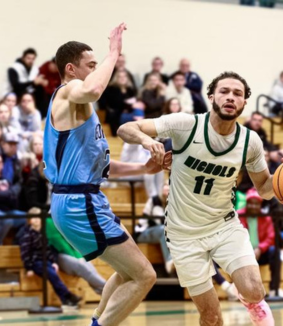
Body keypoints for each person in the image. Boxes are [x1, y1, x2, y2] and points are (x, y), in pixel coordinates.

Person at [119, 71, 283, 325]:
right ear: (211, 96)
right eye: (224, 91)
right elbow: (126, 128)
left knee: (255, 289)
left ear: (245, 102)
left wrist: (281, 181)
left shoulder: (250, 141)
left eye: (238, 94)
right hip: (183, 233)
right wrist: (148, 142)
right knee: (211, 318)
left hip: (224, 225)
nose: (231, 97)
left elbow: (264, 190)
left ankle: (250, 300)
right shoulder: (185, 124)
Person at [45, 25, 168, 326]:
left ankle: (97, 320)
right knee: (145, 275)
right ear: (71, 69)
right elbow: (93, 88)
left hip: (84, 198)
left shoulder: (82, 110)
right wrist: (114, 52)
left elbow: (100, 167)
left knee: (128, 272)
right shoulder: (68, 92)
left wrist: (142, 169)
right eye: (92, 64)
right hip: (77, 203)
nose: (98, 69)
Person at [24, 168, 107, 296]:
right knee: (82, 265)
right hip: (56, 257)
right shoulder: (45, 223)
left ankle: (104, 291)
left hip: (70, 252)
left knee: (87, 263)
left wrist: (79, 254)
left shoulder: (60, 215)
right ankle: (107, 289)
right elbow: (58, 242)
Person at [19, 215, 82, 308]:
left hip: (46, 261)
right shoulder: (27, 235)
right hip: (35, 262)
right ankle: (68, 296)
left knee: (53, 275)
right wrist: (28, 268)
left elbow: (48, 250)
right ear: (30, 220)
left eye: (38, 218)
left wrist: (54, 262)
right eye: (34, 218)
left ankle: (66, 300)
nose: (36, 220)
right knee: (52, 274)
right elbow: (25, 253)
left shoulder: (43, 233)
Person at [135, 183, 174, 274]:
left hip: (161, 232)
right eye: (165, 190)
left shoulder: (173, 203)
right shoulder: (154, 200)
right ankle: (169, 261)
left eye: (169, 190)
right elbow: (156, 221)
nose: (167, 192)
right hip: (143, 232)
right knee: (164, 229)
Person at [4, 48, 48, 114]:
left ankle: (41, 116)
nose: (31, 61)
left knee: (40, 90)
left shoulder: (34, 69)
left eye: (33, 59)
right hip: (13, 92)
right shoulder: (13, 68)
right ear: (23, 58)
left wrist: (42, 82)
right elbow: (15, 86)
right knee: (24, 94)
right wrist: (33, 83)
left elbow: (34, 82)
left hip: (27, 91)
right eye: (28, 58)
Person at [99, 70, 139, 136]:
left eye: (124, 76)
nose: (122, 78)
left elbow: (135, 102)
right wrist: (126, 103)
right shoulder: (110, 89)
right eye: (119, 77)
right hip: (116, 114)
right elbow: (113, 104)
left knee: (138, 112)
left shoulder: (131, 90)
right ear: (116, 78)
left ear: (127, 78)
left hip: (129, 113)